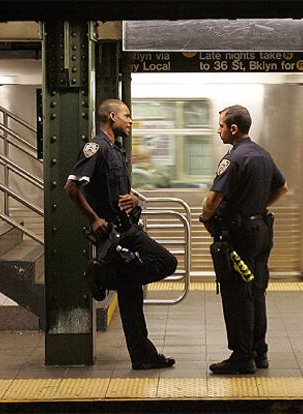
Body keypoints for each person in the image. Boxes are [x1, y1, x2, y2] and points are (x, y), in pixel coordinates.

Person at [64, 99, 178, 370]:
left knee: (130, 295)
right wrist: (94, 219)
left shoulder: (116, 150)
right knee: (167, 262)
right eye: (126, 116)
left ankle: (143, 357)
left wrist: (135, 200)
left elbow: (118, 192)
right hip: (116, 232)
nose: (130, 120)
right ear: (112, 116)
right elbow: (71, 188)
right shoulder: (97, 148)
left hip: (126, 226)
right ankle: (102, 275)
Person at [199, 105, 288, 374]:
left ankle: (242, 356)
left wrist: (205, 219)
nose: (219, 130)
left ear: (233, 128)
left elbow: (213, 199)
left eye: (221, 125)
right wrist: (257, 207)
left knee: (238, 294)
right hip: (261, 231)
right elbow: (282, 187)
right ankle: (260, 352)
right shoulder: (263, 153)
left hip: (239, 235)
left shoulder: (233, 159)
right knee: (257, 291)